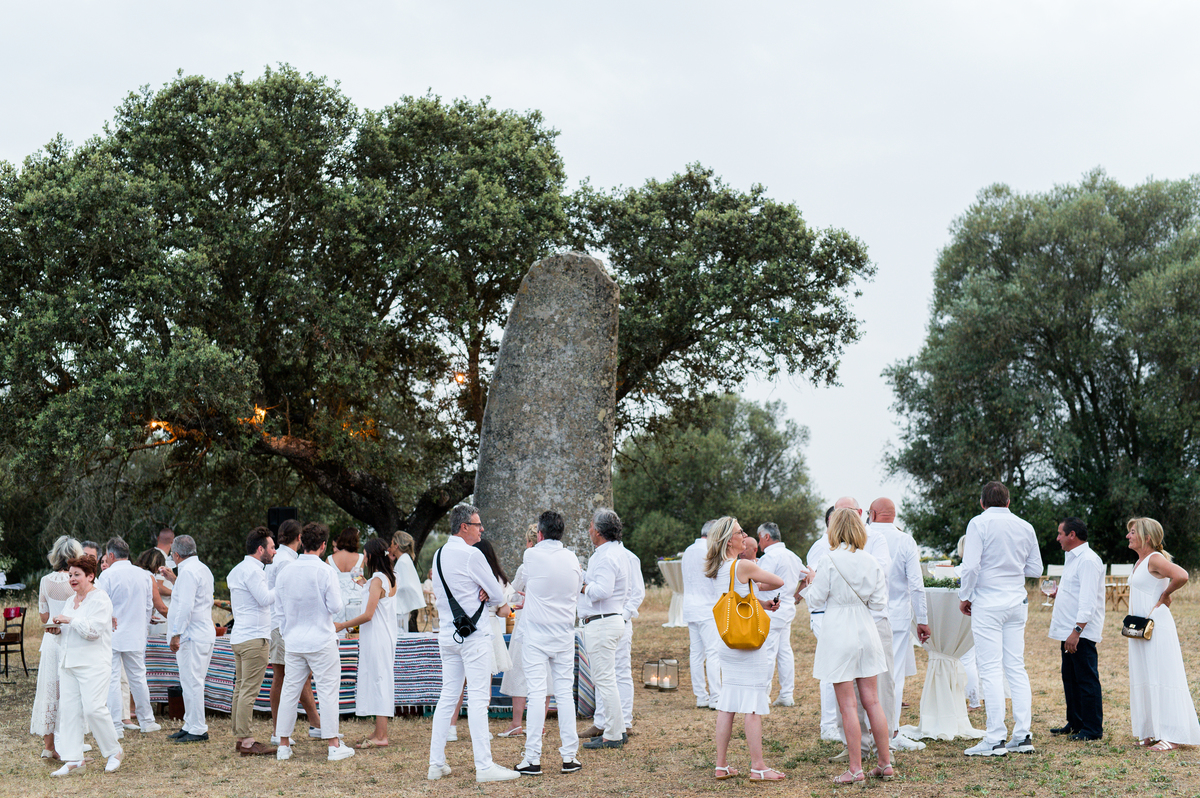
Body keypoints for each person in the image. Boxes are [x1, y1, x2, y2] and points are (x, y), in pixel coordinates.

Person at [426, 503, 518, 783]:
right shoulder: (472, 555)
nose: (481, 530)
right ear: (464, 526)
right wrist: (488, 596)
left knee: (448, 698)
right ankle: (484, 766)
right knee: (478, 698)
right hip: (474, 635)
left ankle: (436, 764)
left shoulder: (438, 555)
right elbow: (500, 600)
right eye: (478, 525)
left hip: (447, 635)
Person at [808, 508, 893, 784]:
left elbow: (815, 601)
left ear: (834, 530)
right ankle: (884, 763)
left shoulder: (828, 560)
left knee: (847, 705)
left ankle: (855, 769)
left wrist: (811, 582)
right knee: (873, 700)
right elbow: (880, 604)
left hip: (838, 632)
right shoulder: (871, 561)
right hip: (866, 630)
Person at [958, 481, 1043, 756]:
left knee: (991, 668)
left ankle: (994, 737)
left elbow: (970, 565)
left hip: (988, 601)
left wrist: (965, 595)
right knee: (1016, 666)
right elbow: (1036, 568)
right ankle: (1023, 734)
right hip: (1016, 601)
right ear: (1008, 502)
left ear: (982, 503)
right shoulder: (1025, 525)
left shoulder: (978, 524)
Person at [705, 516, 786, 782]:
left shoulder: (720, 568)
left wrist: (759, 601)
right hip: (748, 645)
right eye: (741, 532)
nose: (745, 535)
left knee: (727, 703)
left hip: (728, 642)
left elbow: (736, 599)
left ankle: (721, 764)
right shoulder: (744, 565)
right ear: (730, 540)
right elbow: (778, 582)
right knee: (752, 703)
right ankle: (758, 766)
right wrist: (759, 583)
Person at [274, 521, 354, 762]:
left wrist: (288, 632)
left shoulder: (286, 570)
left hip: (295, 641)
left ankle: (283, 745)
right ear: (323, 546)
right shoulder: (325, 571)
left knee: (290, 692)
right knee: (328, 691)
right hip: (321, 640)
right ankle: (333, 745)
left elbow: (279, 610)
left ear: (301, 541)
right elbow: (336, 606)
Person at [514, 510, 584, 776]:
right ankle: (569, 757)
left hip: (536, 634)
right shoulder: (572, 558)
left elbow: (524, 585)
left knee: (536, 693)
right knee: (565, 694)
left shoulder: (531, 555)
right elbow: (576, 587)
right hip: (564, 634)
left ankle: (532, 758)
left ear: (540, 534)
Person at [1124, 517, 1200, 750]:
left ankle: (1174, 735)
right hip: (1140, 627)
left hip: (1156, 625)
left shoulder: (1155, 558)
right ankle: (1151, 730)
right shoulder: (1140, 561)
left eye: (1133, 532)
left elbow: (1182, 575)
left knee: (1163, 675)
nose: (1128, 536)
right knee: (1144, 675)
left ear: (1147, 537)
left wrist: (1166, 594)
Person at [50, 554, 124, 776]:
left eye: (77, 575)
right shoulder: (68, 601)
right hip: (69, 662)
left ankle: (114, 752)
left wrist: (69, 620)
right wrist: (57, 630)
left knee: (94, 709)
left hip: (93, 664)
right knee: (69, 711)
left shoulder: (101, 599)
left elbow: (93, 632)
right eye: (70, 575)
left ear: (90, 576)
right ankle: (74, 759)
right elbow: (68, 632)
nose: (72, 579)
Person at [869, 498, 931, 751]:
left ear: (872, 513)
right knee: (893, 675)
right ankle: (891, 732)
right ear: (894, 516)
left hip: (868, 614)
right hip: (896, 615)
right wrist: (923, 619)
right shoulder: (905, 540)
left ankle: (870, 731)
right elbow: (916, 583)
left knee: (867, 673)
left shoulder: (864, 537)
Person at [1045, 517, 1104, 741]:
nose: (1057, 538)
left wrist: (1077, 631)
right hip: (1068, 630)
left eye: (1060, 533)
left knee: (1087, 680)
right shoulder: (1071, 558)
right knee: (1070, 678)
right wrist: (1059, 593)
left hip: (1080, 633)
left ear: (1072, 535)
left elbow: (1089, 601)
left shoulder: (1088, 560)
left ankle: (1092, 729)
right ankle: (1076, 722)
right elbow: (1077, 592)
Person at [96, 536, 160, 737]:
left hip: (112, 634)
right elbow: (149, 607)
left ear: (111, 555)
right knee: (139, 678)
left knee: (113, 679)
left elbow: (101, 606)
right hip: (136, 634)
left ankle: (115, 726)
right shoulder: (143, 575)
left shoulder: (107, 576)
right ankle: (147, 721)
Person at [336, 537, 397, 749]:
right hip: (381, 636)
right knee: (378, 679)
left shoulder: (378, 579)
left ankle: (382, 735)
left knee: (380, 680)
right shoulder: (387, 578)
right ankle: (378, 731)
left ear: (370, 556)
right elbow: (370, 590)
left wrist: (342, 624)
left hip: (377, 636)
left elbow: (369, 614)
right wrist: (363, 580)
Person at [265, 519, 323, 740]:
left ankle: (316, 723)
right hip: (283, 625)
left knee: (300, 676)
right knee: (281, 676)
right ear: (299, 538)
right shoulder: (286, 562)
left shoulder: (280, 558)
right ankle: (278, 731)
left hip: (282, 624)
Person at [579, 508, 631, 750]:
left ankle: (612, 734)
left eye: (590, 525)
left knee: (604, 680)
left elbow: (602, 591)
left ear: (598, 531)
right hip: (610, 619)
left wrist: (582, 587)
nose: (589, 529)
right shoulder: (617, 552)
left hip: (602, 621)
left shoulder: (605, 556)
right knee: (608, 679)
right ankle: (617, 729)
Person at [31, 535, 83, 760]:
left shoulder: (45, 581)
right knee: (71, 691)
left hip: (51, 640)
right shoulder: (78, 581)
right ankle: (70, 743)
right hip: (71, 639)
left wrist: (53, 619)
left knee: (49, 690)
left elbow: (44, 616)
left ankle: (49, 746)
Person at [226, 527, 277, 756]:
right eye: (272, 547)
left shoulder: (236, 570)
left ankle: (241, 736)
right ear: (260, 549)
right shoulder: (254, 571)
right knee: (248, 690)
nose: (274, 552)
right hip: (254, 637)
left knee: (240, 688)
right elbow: (265, 598)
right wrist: (283, 587)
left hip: (240, 636)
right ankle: (247, 740)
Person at [161, 534, 216, 743]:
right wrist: (173, 579)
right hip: (200, 632)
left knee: (193, 682)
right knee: (189, 681)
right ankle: (190, 723)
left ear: (175, 555)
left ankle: (198, 728)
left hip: (192, 635)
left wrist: (176, 633)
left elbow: (185, 607)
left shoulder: (188, 572)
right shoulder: (199, 568)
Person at [802, 506, 841, 741]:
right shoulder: (821, 545)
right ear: (830, 520)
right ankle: (828, 726)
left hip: (837, 612)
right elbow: (813, 578)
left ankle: (837, 721)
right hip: (823, 612)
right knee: (830, 667)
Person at [499, 524, 541, 738]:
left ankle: (516, 723)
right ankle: (540, 724)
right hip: (546, 623)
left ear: (529, 542)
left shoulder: (526, 567)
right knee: (545, 675)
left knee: (519, 671)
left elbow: (512, 593)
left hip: (526, 623)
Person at [756, 522, 805, 708]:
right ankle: (786, 694)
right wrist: (795, 596)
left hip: (771, 609)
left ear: (766, 537)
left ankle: (764, 695)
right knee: (784, 651)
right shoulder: (792, 555)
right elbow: (807, 576)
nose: (759, 544)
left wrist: (756, 587)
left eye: (760, 538)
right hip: (787, 608)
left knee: (768, 652)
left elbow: (761, 581)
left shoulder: (770, 557)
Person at [683, 520, 722, 710]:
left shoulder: (688, 550)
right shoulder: (710, 550)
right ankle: (716, 696)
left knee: (696, 654)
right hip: (708, 607)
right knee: (713, 652)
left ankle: (701, 696)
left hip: (691, 607)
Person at [327, 527, 364, 639]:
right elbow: (358, 579)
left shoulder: (330, 559)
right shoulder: (360, 558)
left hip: (337, 599)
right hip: (355, 601)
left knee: (336, 635)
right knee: (354, 635)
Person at [389, 531, 425, 635]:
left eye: (391, 543)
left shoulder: (402, 562)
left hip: (400, 609)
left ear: (396, 545)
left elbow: (404, 586)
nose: (390, 546)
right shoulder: (405, 559)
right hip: (402, 608)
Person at [134, 548, 171, 635]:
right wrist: (179, 619)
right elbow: (161, 608)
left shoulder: (133, 573)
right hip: (137, 630)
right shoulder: (148, 577)